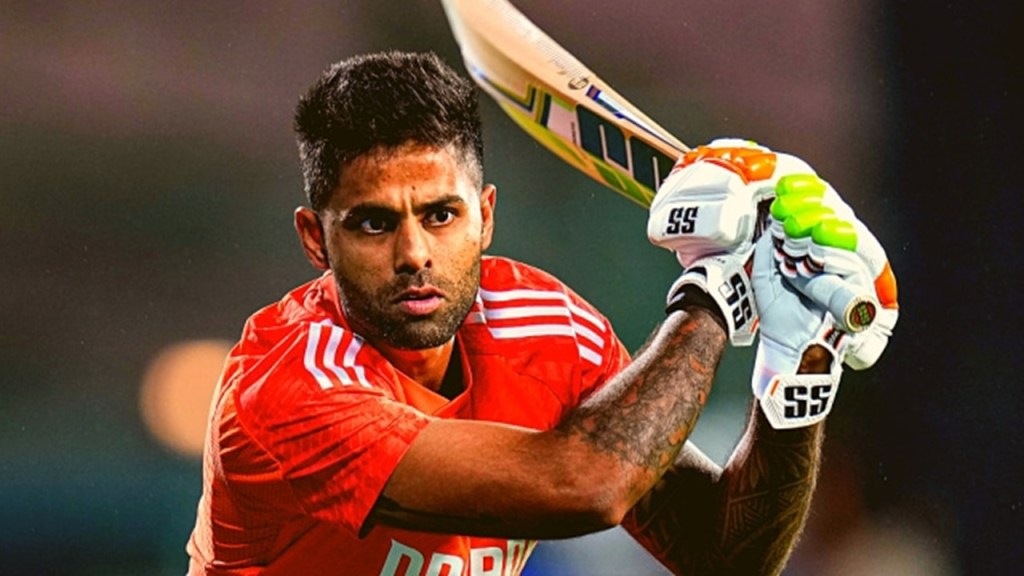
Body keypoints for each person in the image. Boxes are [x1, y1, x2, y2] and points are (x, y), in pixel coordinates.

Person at [186, 51, 898, 575]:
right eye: (374, 224)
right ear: (316, 239)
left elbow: (722, 557)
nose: (414, 254)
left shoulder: (548, 328)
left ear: (486, 217)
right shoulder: (285, 392)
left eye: (441, 215)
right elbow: (583, 485)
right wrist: (715, 289)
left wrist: (799, 360)